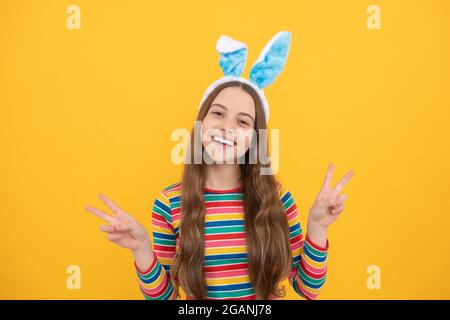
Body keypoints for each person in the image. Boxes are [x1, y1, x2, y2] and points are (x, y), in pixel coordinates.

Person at [86, 31, 354, 300]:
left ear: (254, 138)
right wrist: (142, 248)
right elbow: (166, 298)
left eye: (243, 121)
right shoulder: (169, 203)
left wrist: (318, 227)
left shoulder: (278, 199)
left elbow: (308, 289)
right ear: (201, 122)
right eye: (218, 113)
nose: (227, 127)